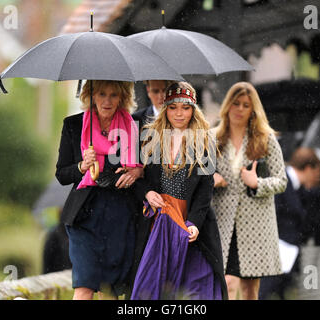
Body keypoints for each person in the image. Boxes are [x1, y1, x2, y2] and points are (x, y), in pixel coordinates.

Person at [130, 82, 227, 300]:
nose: (179, 113)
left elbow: (205, 188)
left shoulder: (204, 141)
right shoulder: (150, 138)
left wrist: (193, 222)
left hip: (191, 222)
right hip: (161, 221)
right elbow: (137, 178)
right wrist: (146, 193)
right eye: (173, 107)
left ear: (193, 109)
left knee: (196, 284)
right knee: (155, 285)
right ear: (165, 108)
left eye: (185, 107)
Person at [55, 80, 143, 300]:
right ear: (91, 95)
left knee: (111, 289)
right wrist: (81, 166)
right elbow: (62, 174)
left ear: (122, 98)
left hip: (121, 214)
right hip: (84, 216)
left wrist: (138, 172)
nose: (107, 100)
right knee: (84, 285)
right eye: (102, 94)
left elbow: (145, 169)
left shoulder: (133, 127)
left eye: (114, 95)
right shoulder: (73, 125)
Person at [211, 81, 288, 300]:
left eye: (246, 105)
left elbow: (281, 181)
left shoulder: (266, 139)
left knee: (250, 289)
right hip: (222, 220)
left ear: (253, 109)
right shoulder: (212, 138)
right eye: (236, 103)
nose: (240, 109)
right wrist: (211, 179)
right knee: (226, 281)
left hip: (256, 223)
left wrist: (257, 183)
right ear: (228, 106)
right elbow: (196, 174)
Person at [258, 147, 320, 299]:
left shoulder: (294, 186)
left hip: (288, 253)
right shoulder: (282, 182)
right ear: (308, 168)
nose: (317, 176)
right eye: (316, 171)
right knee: (265, 292)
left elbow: (307, 195)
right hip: (276, 252)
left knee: (279, 292)